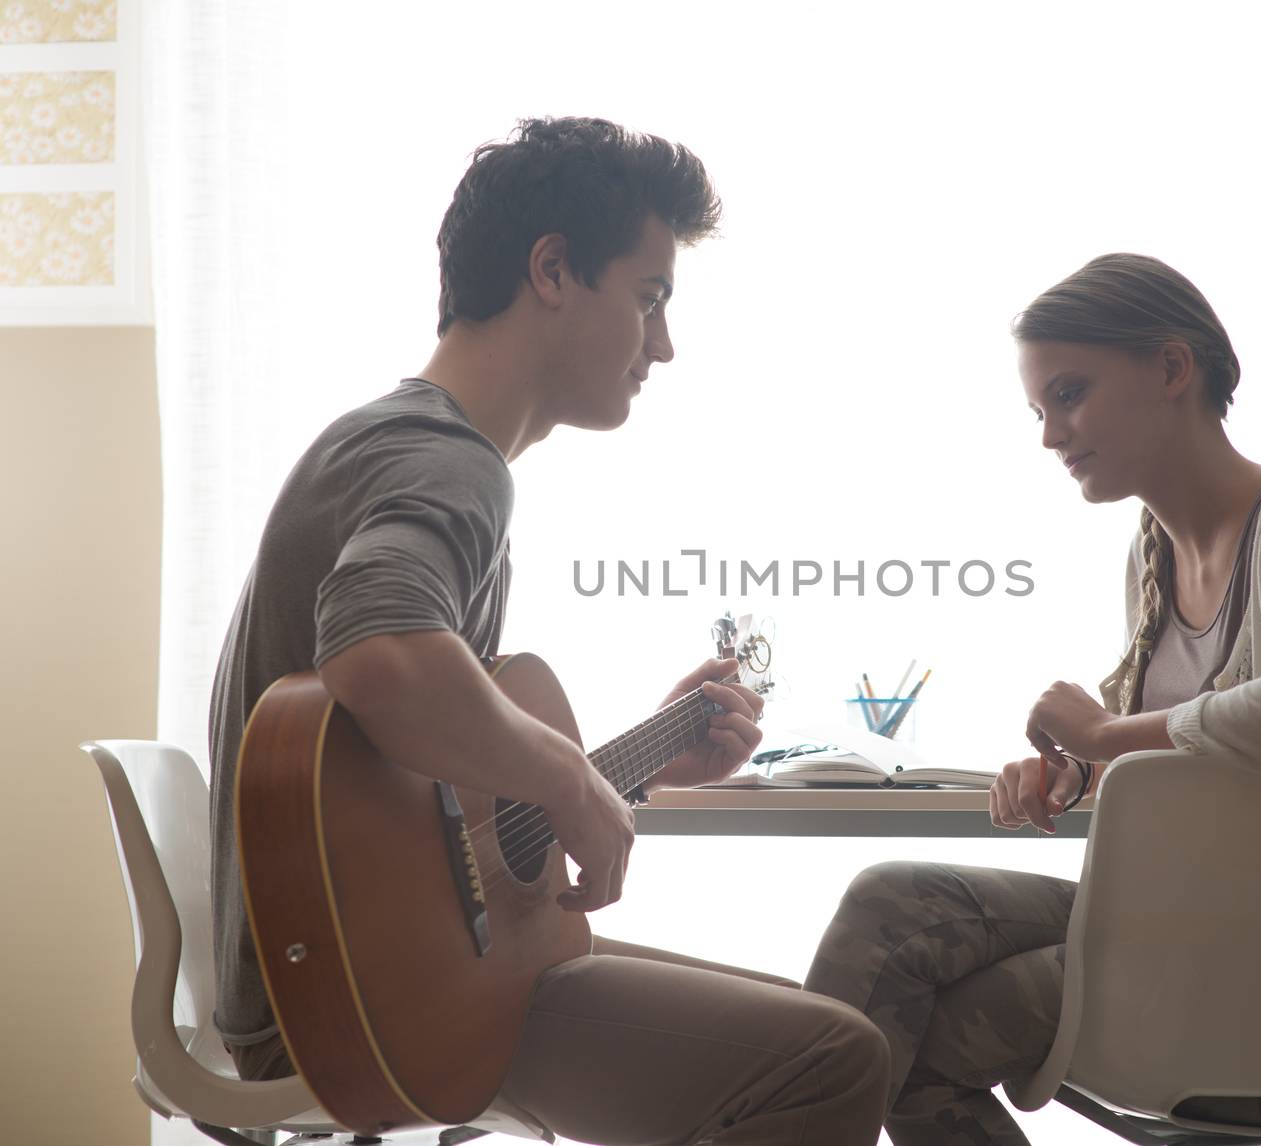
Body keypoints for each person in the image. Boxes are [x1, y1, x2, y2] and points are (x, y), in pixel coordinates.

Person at [208, 115, 890, 1145]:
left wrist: (632, 761)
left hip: (342, 983)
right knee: (833, 1061)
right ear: (555, 270)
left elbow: (439, 821)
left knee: (811, 1026)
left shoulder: (393, 444)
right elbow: (377, 653)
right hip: (352, 1011)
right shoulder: (448, 462)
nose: (663, 345)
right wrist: (570, 779)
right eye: (650, 298)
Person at [803, 253, 1261, 1145]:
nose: (1051, 436)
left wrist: (1104, 731)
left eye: (1070, 394)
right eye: (1039, 409)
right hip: (1190, 916)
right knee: (890, 903)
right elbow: (1194, 766)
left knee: (908, 1038)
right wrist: (1077, 772)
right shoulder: (1151, 554)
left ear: (1173, 369)